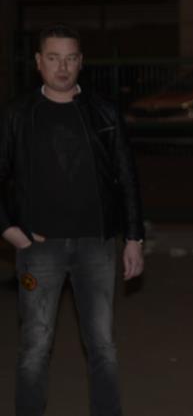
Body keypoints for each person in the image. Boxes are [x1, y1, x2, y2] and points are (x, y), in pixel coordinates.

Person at [1, 24, 145, 416]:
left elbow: (127, 176)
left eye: (70, 58)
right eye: (53, 58)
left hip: (96, 247)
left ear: (81, 62)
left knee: (102, 345)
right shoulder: (17, 114)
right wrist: (13, 234)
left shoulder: (104, 112)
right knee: (34, 345)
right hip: (37, 252)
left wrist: (134, 238)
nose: (62, 67)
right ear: (38, 62)